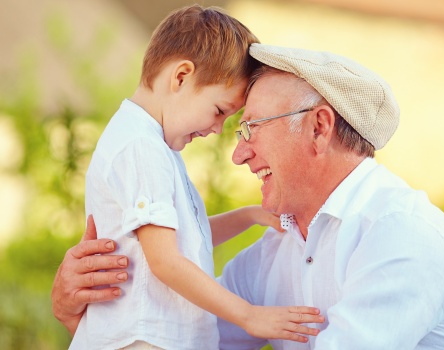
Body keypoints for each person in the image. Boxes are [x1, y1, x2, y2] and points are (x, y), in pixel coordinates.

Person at [53, 43, 444, 349]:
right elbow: (188, 337)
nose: (238, 154)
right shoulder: (281, 245)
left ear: (318, 128)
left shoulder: (401, 236)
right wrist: (89, 311)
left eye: (251, 128)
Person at [68, 7, 323, 350]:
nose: (217, 129)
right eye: (219, 111)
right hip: (144, 339)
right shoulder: (141, 147)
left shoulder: (153, 144)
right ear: (181, 77)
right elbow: (166, 260)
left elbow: (186, 240)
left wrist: (249, 216)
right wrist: (250, 316)